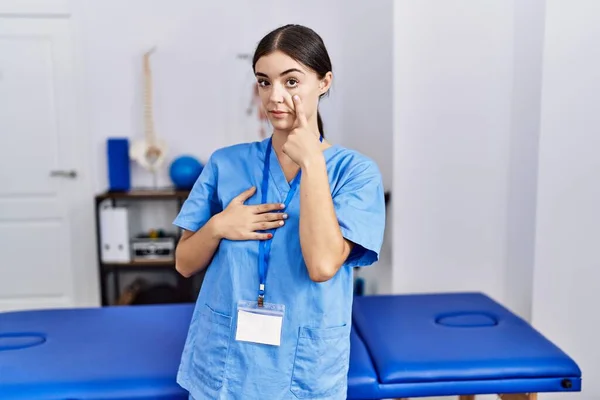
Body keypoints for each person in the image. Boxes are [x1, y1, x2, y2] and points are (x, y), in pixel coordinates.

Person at [172, 24, 386, 400]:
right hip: (225, 360)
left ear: (323, 82)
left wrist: (312, 165)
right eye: (264, 82)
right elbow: (184, 263)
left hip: (304, 365)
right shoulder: (226, 163)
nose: (275, 97)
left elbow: (321, 266)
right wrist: (219, 226)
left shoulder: (355, 172)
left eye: (291, 81)